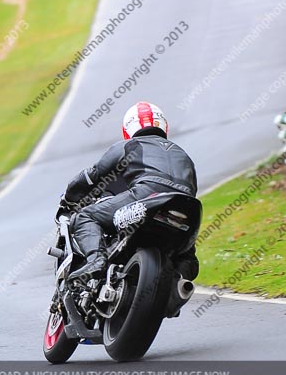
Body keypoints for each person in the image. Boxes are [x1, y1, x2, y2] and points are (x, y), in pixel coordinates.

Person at [62, 101, 199, 282]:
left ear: (127, 128)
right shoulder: (184, 155)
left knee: (86, 216)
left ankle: (96, 260)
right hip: (187, 206)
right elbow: (192, 189)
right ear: (163, 126)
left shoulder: (130, 145)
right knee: (187, 257)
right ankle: (175, 287)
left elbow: (93, 175)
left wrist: (70, 197)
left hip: (146, 194)